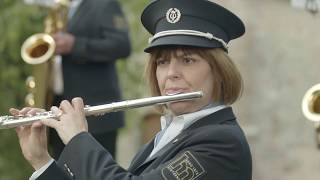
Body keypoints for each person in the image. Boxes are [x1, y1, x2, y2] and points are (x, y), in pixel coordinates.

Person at [12, 0, 252, 179]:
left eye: (187, 60)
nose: (170, 73)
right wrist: (41, 161)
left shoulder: (221, 142)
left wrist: (78, 139)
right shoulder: (168, 135)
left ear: (219, 71)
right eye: (162, 62)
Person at [48, 0, 131, 159]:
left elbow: (122, 45)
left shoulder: (106, 4)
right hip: (60, 110)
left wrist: (75, 45)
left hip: (95, 113)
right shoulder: (59, 8)